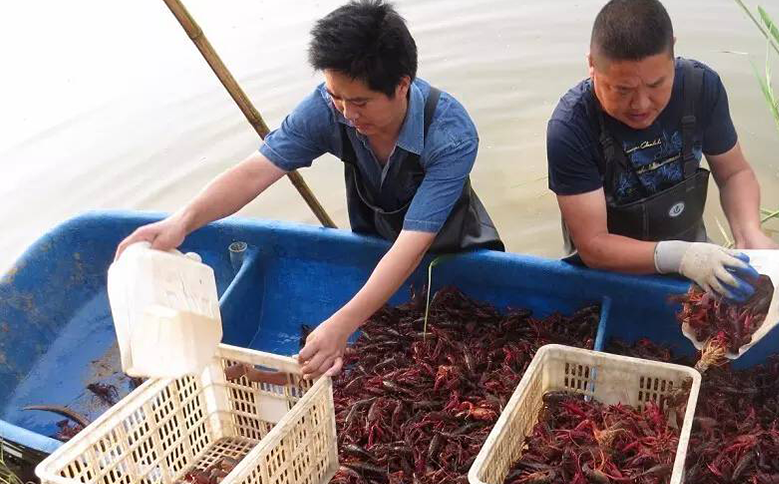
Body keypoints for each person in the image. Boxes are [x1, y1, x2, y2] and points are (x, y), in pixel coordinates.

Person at [116, 0, 503, 377]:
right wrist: (183, 222)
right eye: (337, 97)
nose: (348, 114)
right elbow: (255, 172)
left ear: (402, 85)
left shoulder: (451, 135)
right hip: (377, 238)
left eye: (361, 102)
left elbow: (412, 243)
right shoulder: (326, 109)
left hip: (452, 244)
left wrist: (343, 324)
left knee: (477, 322)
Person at [547, 0, 779, 301]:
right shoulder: (571, 127)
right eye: (622, 89)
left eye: (657, 85)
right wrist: (680, 257)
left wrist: (749, 232)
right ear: (592, 64)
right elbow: (594, 245)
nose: (641, 104)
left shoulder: (700, 88)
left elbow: (734, 173)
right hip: (608, 275)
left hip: (694, 253)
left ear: (673, 55)